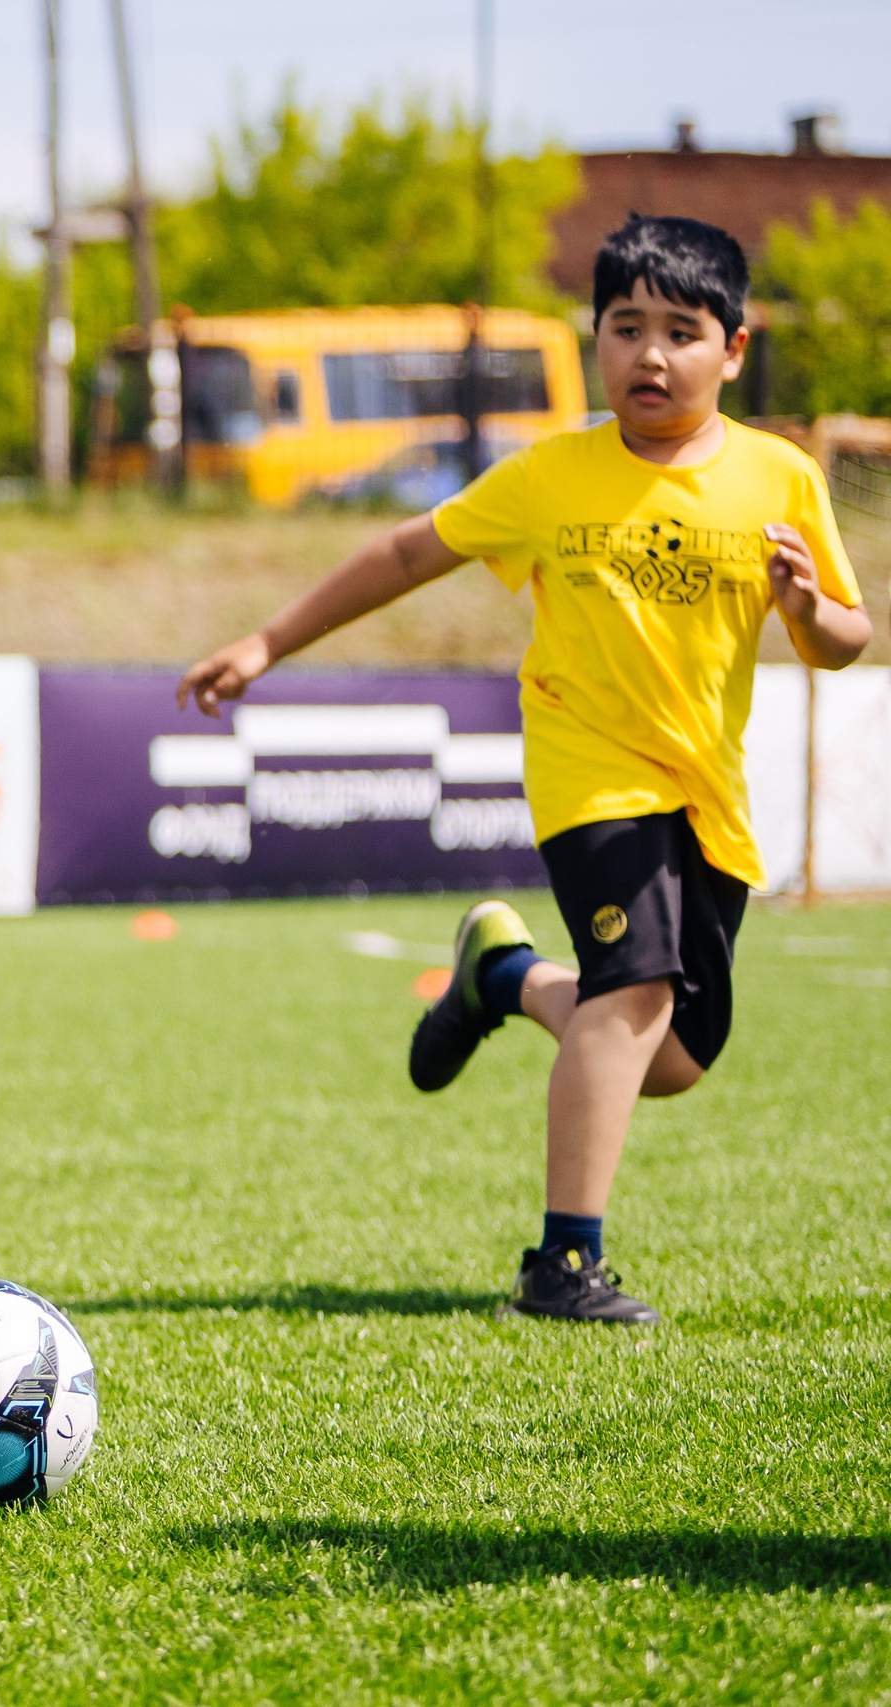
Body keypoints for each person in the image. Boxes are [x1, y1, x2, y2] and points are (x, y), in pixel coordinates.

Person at [179, 214, 869, 1325]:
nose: (650, 354)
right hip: (589, 775)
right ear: (591, 337)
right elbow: (410, 550)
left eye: (680, 332)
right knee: (634, 991)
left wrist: (806, 610)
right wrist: (267, 642)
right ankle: (562, 1265)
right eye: (624, 327)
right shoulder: (551, 474)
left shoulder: (780, 479)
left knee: (673, 1057)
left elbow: (847, 637)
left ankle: (499, 976)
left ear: (733, 350)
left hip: (711, 794)